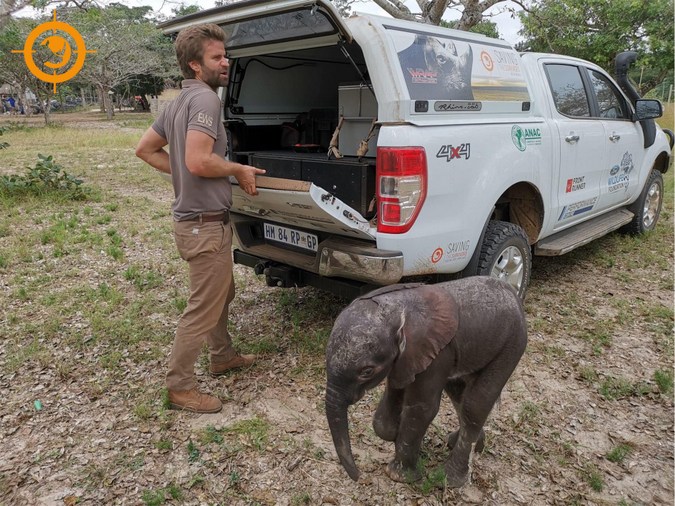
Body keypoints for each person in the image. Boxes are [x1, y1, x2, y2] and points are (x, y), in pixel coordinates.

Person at [135, 23, 265, 414]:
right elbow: (197, 160)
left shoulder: (176, 102)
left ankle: (222, 355)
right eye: (216, 57)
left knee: (222, 293)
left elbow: (145, 149)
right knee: (203, 306)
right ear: (195, 65)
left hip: (199, 223)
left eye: (225, 55)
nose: (225, 62)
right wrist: (237, 170)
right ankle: (180, 387)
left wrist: (182, 172)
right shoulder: (206, 101)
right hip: (203, 224)